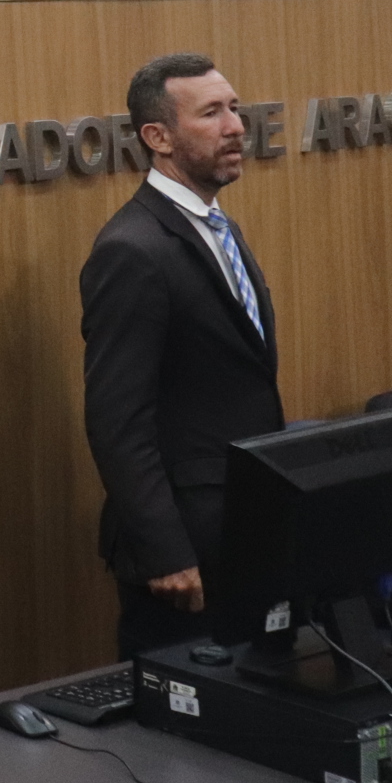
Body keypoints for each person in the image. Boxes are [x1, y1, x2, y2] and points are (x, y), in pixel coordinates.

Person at [81, 54, 284, 658]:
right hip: (185, 554)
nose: (236, 127)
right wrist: (165, 551)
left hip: (242, 534)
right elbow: (117, 421)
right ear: (158, 137)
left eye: (235, 109)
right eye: (212, 113)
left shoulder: (217, 227)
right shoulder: (132, 250)